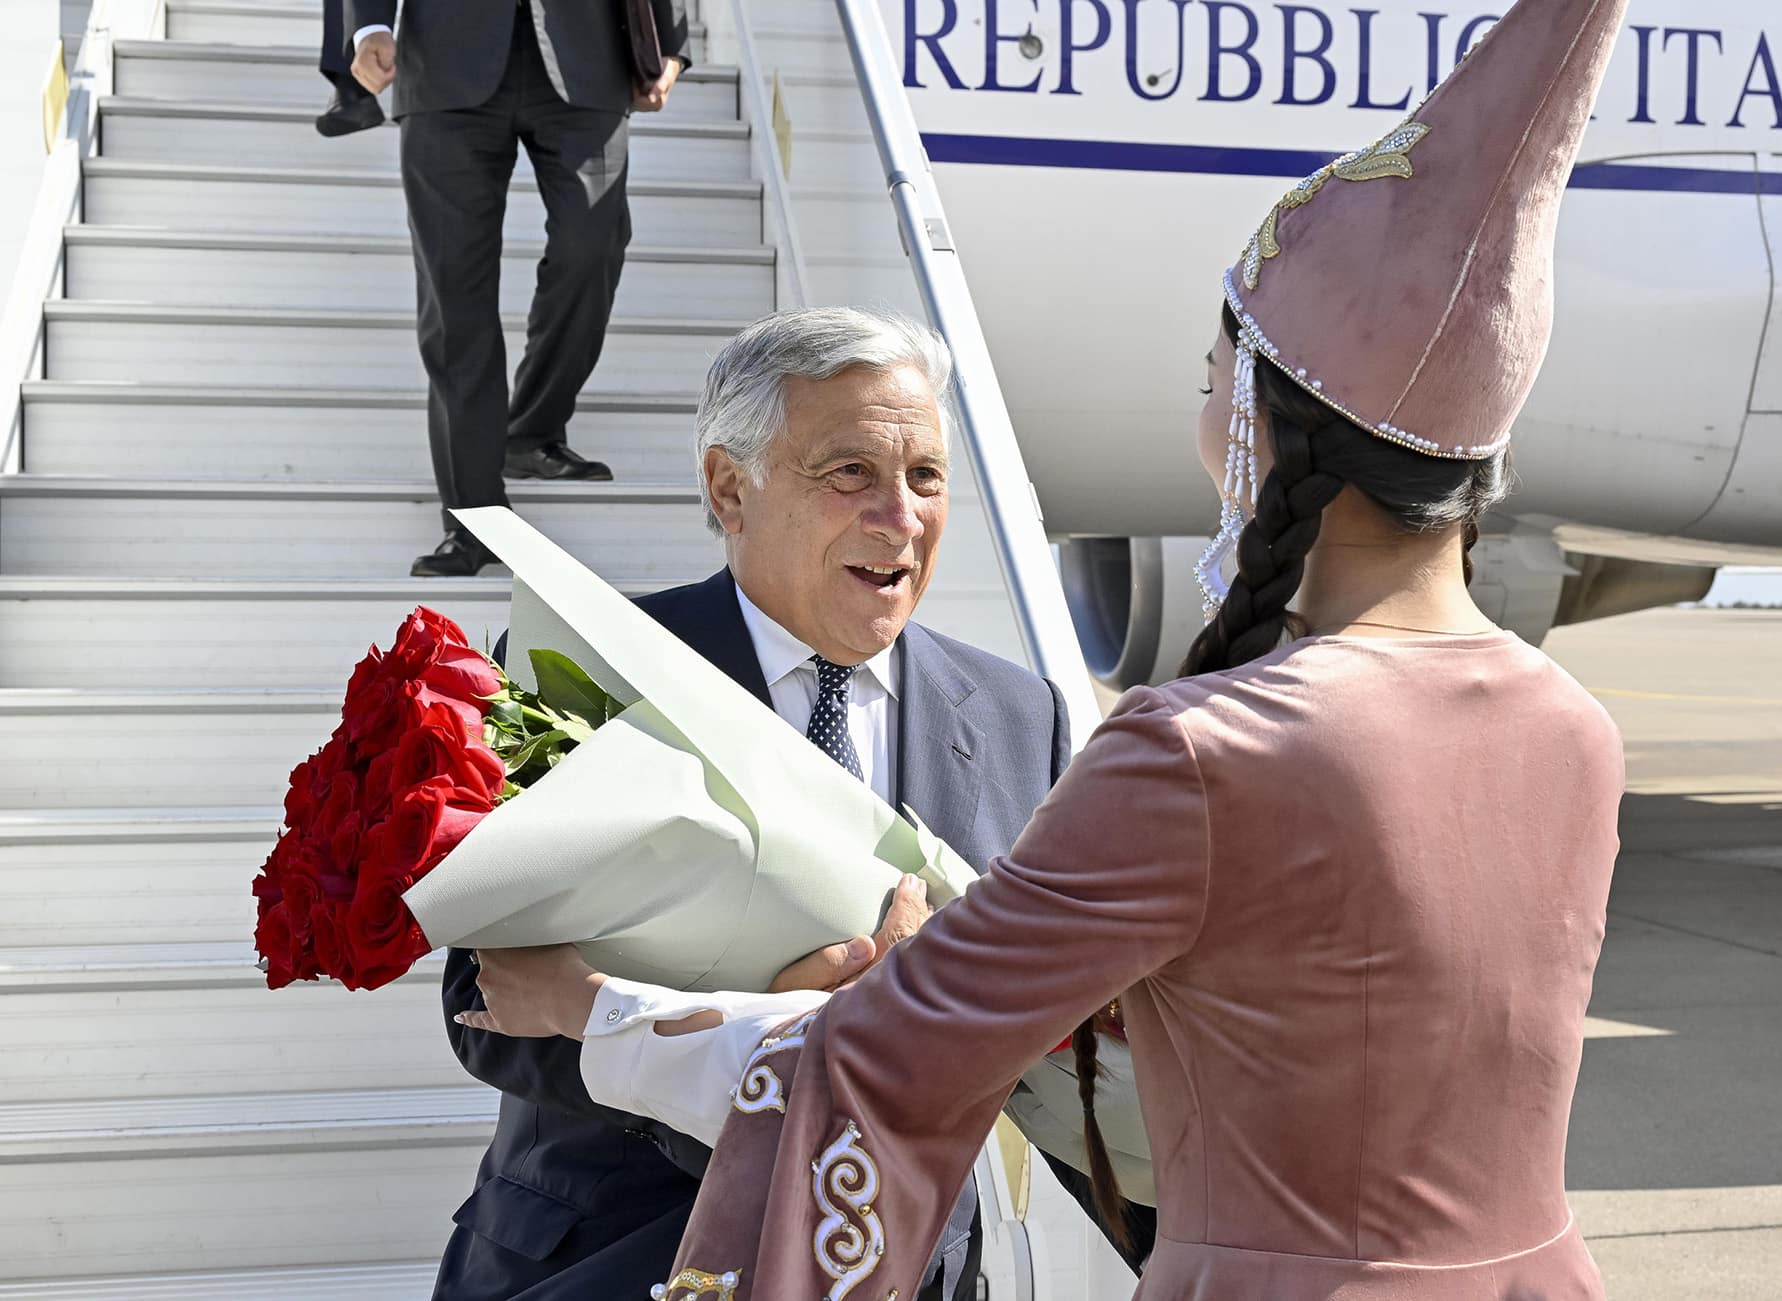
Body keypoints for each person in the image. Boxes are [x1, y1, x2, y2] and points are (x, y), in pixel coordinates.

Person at [466, 0, 1633, 1295]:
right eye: (850, 472)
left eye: (1211, 376)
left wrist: (591, 1008)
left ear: (1259, 428)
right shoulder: (1574, 729)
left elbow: (890, 1056)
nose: (898, 514)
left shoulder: (1189, 748)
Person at [435, 309, 1148, 1300]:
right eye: (851, 471)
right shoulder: (585, 672)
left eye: (926, 476)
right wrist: (769, 1032)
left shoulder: (1022, 716)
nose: (901, 517)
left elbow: (1061, 1050)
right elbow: (483, 1005)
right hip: (613, 1259)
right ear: (730, 488)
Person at [344, 0, 695, 577]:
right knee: (454, 296)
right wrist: (370, 26)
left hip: (587, 55)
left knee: (592, 248)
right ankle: (475, 519)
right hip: (445, 61)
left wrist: (670, 43)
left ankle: (531, 429)